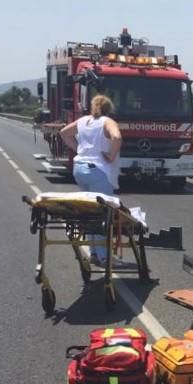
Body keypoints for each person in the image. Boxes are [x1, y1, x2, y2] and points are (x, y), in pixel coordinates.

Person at [59, 95, 123, 266]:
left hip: (79, 168)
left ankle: (94, 252)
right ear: (109, 109)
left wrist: (79, 149)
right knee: (103, 214)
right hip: (99, 171)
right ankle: (104, 257)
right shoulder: (107, 122)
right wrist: (111, 156)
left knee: (90, 212)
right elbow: (117, 137)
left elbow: (64, 133)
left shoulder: (83, 121)